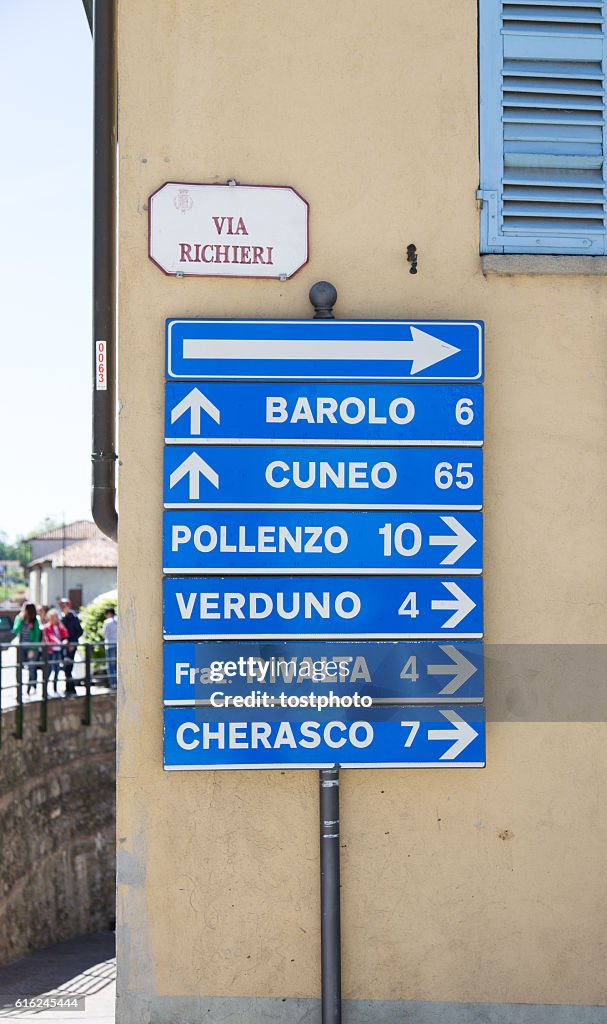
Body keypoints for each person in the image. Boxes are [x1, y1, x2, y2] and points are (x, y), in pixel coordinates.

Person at [12, 602, 42, 695]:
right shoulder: (19, 618)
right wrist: (20, 620)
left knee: (32, 668)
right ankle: (19, 689)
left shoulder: (35, 621)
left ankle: (31, 687)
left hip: (31, 647)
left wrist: (32, 649)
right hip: (21, 647)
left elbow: (37, 636)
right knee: (19, 668)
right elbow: (15, 630)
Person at [58, 598, 83, 696]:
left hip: (71, 646)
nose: (63, 608)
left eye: (65, 606)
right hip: (64, 646)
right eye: (62, 606)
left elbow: (79, 631)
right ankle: (69, 688)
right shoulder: (61, 618)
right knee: (65, 667)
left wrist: (72, 643)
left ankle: (71, 688)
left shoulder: (73, 618)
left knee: (68, 667)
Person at [42, 609, 68, 695]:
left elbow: (65, 633)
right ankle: (45, 691)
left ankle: (55, 689)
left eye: (56, 617)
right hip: (51, 651)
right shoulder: (47, 626)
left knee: (57, 670)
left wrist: (60, 623)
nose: (54, 619)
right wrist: (59, 642)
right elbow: (51, 636)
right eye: (53, 617)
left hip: (58, 651)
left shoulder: (59, 626)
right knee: (49, 671)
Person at [102, 606, 118, 689]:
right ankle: (118, 683)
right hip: (118, 644)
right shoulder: (118, 620)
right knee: (117, 664)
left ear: (108, 613)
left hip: (110, 645)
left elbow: (104, 634)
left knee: (110, 665)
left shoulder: (107, 622)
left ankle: (113, 684)